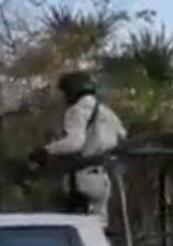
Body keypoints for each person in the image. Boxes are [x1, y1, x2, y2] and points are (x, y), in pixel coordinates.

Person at [28, 71, 127, 227]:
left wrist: (46, 150)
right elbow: (122, 135)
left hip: (82, 178)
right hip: (102, 178)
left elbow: (74, 142)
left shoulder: (76, 110)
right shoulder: (106, 112)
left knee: (75, 226)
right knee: (99, 228)